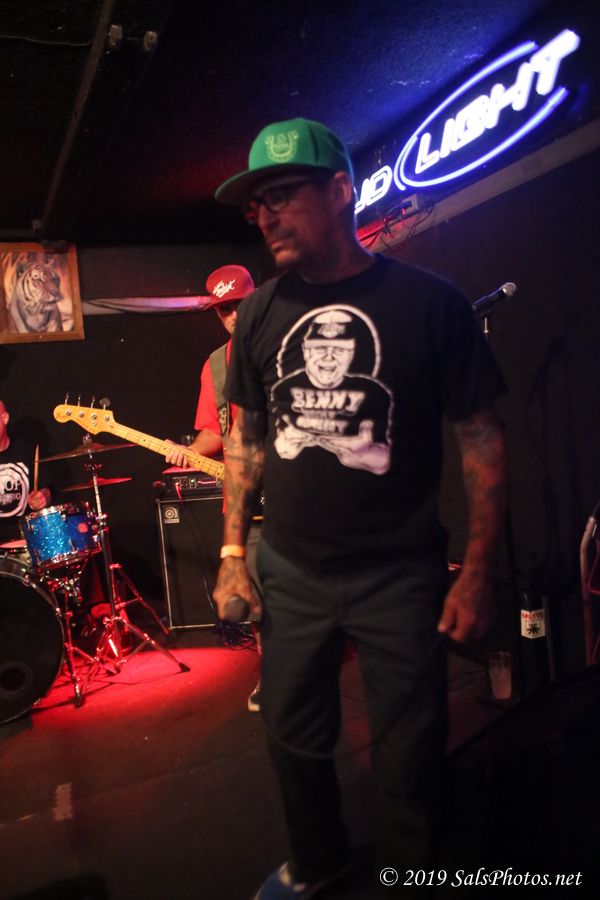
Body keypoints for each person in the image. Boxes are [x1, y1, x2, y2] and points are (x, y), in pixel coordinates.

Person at [212, 117, 508, 899]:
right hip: (292, 571)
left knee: (411, 756)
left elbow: (481, 438)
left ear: (341, 190)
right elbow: (245, 442)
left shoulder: (430, 304)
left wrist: (477, 572)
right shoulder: (258, 315)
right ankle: (319, 862)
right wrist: (233, 555)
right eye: (257, 204)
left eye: (283, 194)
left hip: (399, 576)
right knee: (292, 738)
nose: (266, 215)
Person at [165, 265, 263, 712]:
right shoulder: (216, 366)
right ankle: (273, 674)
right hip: (243, 501)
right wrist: (185, 451)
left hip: (294, 492)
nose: (233, 316)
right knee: (254, 597)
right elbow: (212, 431)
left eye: (240, 304)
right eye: (225, 310)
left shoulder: (284, 347)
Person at [0, 399, 51, 545]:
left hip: (26, 536)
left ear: (4, 418)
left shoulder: (27, 451)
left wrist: (42, 498)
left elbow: (48, 491)